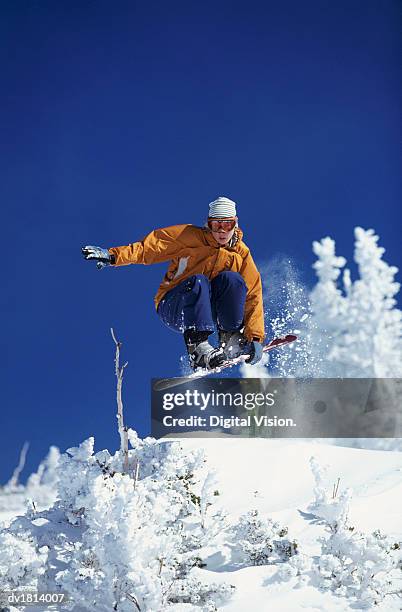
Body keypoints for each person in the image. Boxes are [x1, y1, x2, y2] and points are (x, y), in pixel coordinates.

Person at [82, 196, 265, 370]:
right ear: (208, 224)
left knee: (233, 281)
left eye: (228, 225)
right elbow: (149, 248)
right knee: (198, 281)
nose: (222, 232)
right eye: (216, 225)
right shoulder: (188, 237)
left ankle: (230, 338)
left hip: (207, 311)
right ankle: (198, 350)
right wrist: (113, 256)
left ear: (236, 223)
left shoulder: (241, 253)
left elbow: (253, 294)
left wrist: (255, 337)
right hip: (175, 306)